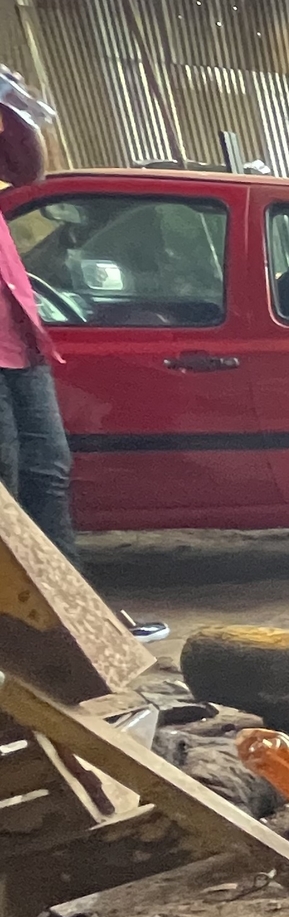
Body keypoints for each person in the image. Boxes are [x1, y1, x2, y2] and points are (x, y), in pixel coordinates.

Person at [0, 69, 80, 564]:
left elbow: (27, 169)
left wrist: (12, 104)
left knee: (48, 470)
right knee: (4, 480)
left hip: (19, 338)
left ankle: (75, 621)